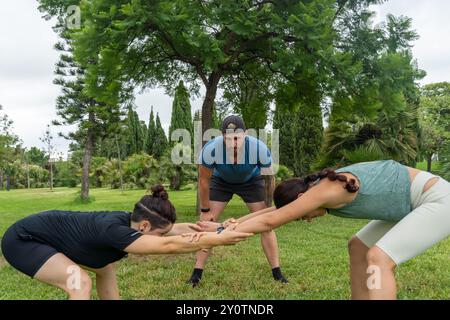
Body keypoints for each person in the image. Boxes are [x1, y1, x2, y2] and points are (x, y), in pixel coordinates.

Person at [198, 160, 450, 299]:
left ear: (302, 198)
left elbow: (270, 222)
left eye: (302, 215)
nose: (306, 219)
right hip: (407, 206)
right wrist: (225, 224)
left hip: (438, 200)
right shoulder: (315, 187)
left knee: (378, 259)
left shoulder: (328, 188)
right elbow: (273, 211)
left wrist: (218, 236)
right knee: (358, 247)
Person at [0, 185, 252, 300]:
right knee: (79, 283)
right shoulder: (116, 232)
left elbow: (176, 231)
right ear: (143, 227)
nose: (163, 236)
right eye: (159, 233)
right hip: (23, 240)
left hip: (47, 236)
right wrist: (219, 241)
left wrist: (219, 228)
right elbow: (169, 245)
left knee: (105, 267)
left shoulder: (130, 222)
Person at [187, 115, 288, 287]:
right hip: (221, 182)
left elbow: (269, 179)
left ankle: (277, 272)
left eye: (237, 138)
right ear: (221, 135)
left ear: (245, 134)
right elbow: (203, 181)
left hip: (251, 181)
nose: (233, 143)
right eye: (228, 138)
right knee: (206, 224)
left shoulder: (258, 148)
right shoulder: (211, 149)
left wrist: (270, 209)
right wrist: (205, 211)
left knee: (267, 225)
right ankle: (196, 273)